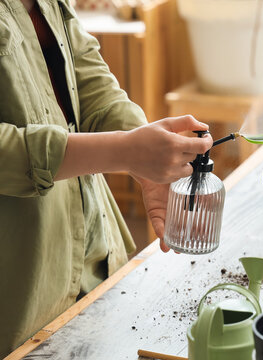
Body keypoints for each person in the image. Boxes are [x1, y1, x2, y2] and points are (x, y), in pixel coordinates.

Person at [0, 0, 212, 356]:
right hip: (22, 292)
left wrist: (143, 156)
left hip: (97, 257)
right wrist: (124, 151)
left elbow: (91, 83)